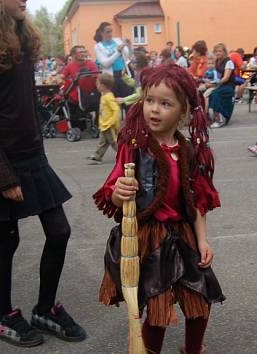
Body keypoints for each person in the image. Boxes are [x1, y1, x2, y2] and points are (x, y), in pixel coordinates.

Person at [0, 0, 86, 346]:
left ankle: (44, 309)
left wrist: (40, 153)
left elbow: (28, 104)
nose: (24, 1)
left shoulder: (21, 40)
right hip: (2, 161)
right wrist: (4, 176)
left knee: (59, 230)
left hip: (33, 157)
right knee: (8, 238)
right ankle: (4, 316)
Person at [94, 64, 224, 354]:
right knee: (159, 308)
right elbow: (113, 192)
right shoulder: (134, 146)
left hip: (184, 235)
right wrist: (118, 194)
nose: (154, 109)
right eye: (150, 100)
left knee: (200, 301)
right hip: (149, 238)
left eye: (166, 103)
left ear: (184, 111)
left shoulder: (189, 151)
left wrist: (202, 240)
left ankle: (193, 350)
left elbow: (198, 202)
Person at [87, 73, 120, 164]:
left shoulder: (109, 97)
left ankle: (125, 155)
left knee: (114, 142)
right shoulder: (104, 95)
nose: (96, 85)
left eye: (97, 83)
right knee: (103, 142)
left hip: (109, 125)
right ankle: (97, 156)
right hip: (104, 125)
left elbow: (116, 110)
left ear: (102, 86)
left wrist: (112, 122)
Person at [93, 22, 133, 97]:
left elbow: (127, 56)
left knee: (128, 100)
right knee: (112, 102)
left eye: (111, 31)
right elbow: (105, 63)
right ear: (101, 33)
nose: (110, 34)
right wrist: (118, 52)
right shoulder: (98, 46)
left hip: (123, 74)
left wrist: (129, 46)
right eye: (108, 32)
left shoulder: (117, 40)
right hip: (110, 78)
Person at [208, 43, 236, 128]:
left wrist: (215, 84)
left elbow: (226, 77)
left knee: (215, 94)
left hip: (228, 86)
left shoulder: (229, 62)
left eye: (220, 51)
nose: (218, 53)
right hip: (220, 85)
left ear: (224, 52)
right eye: (216, 51)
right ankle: (210, 117)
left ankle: (220, 119)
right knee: (205, 93)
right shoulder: (216, 61)